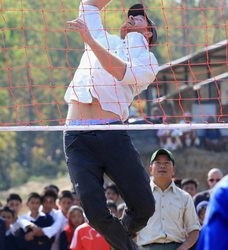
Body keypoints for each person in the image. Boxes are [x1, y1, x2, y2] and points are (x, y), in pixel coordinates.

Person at [64, 1, 158, 249]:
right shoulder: (103, 38)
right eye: (131, 15)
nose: (133, 17)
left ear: (148, 32)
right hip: (77, 135)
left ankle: (123, 234)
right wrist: (94, 39)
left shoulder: (148, 61)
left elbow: (121, 71)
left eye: (141, 17)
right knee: (94, 213)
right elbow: (89, 5)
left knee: (145, 207)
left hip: (112, 133)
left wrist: (92, 42)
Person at [137, 149, 200, 250]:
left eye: (166, 163)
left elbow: (194, 229)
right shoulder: (139, 196)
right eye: (158, 163)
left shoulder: (184, 197)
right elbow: (129, 229)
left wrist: (184, 248)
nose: (162, 166)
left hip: (176, 246)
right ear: (150, 169)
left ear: (173, 170)